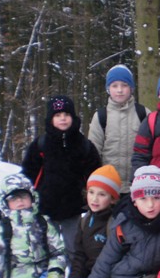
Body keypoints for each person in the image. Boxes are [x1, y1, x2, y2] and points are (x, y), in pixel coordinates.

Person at [21, 95, 101, 264]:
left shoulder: (83, 145)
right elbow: (29, 173)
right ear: (51, 119)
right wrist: (34, 195)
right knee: (46, 248)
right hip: (46, 207)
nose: (63, 118)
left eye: (66, 114)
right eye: (58, 115)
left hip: (73, 208)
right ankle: (49, 277)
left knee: (74, 249)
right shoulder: (41, 144)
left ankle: (75, 277)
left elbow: (94, 175)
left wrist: (88, 195)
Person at [58, 165, 123, 278]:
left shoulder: (113, 223)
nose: (94, 199)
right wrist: (74, 277)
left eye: (102, 194)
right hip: (89, 277)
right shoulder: (85, 220)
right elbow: (79, 254)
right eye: (91, 192)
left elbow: (115, 259)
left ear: (112, 199)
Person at [88, 64, 150, 193]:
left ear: (131, 88)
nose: (120, 90)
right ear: (108, 89)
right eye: (114, 86)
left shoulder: (144, 113)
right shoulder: (101, 116)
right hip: (108, 186)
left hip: (138, 185)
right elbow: (93, 154)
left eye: (124, 85)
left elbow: (152, 149)